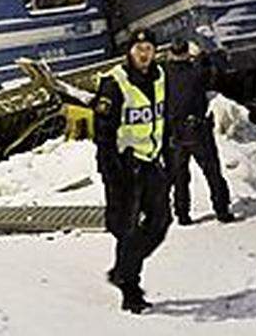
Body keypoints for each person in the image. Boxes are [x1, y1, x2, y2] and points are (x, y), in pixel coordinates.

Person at [92, 29, 172, 315]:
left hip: (150, 162)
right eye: (139, 48)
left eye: (149, 48)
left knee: (161, 221)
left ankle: (122, 270)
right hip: (124, 166)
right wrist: (111, 172)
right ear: (129, 52)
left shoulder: (160, 77)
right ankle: (130, 289)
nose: (144, 53)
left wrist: (168, 159)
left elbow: (164, 118)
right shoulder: (115, 83)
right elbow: (102, 133)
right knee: (126, 228)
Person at [163, 37, 236, 226]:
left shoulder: (164, 74)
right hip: (198, 130)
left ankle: (182, 214)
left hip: (174, 132)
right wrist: (202, 56)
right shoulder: (196, 72)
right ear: (187, 52)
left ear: (171, 53)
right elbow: (214, 74)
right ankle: (222, 210)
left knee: (180, 176)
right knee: (212, 172)